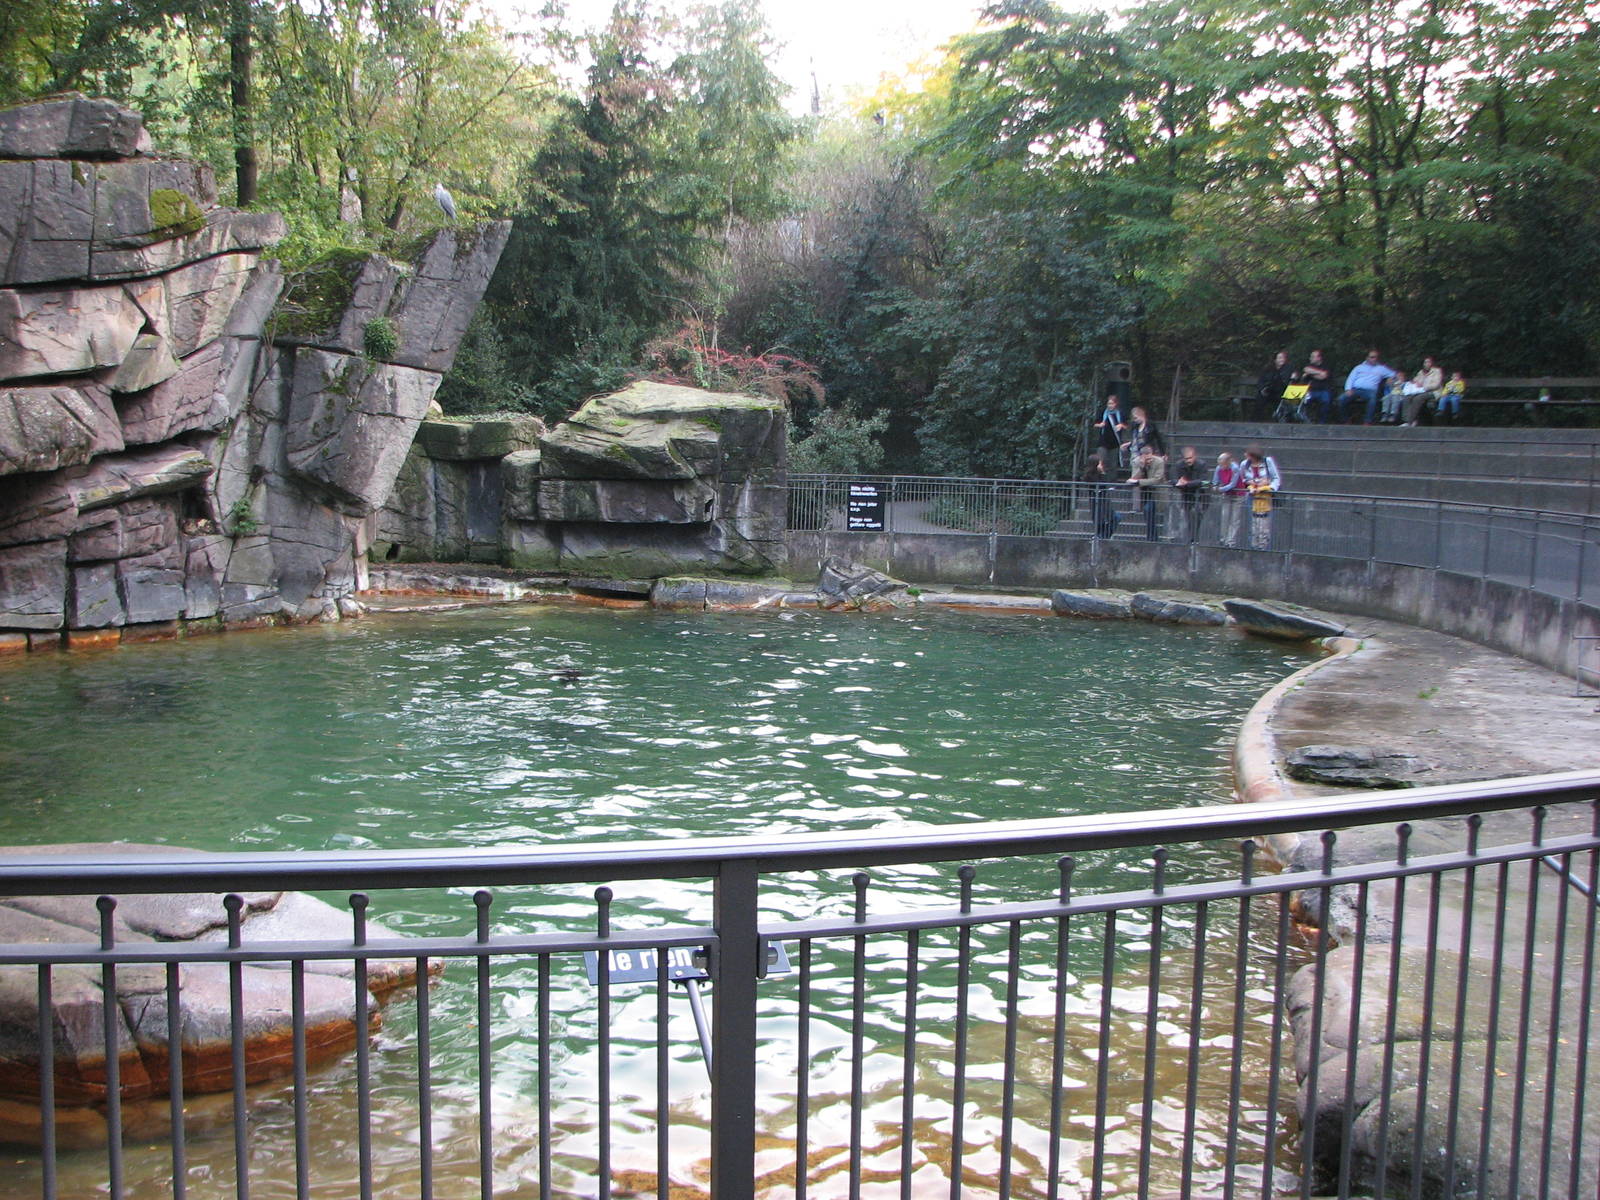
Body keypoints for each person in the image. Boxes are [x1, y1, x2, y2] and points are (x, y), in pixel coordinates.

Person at [1238, 444, 1281, 550]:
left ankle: (1263, 547)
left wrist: (1268, 486)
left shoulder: (1268, 462)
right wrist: (1250, 484)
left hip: (1265, 496)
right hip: (1252, 496)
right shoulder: (1244, 464)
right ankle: (1254, 546)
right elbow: (1243, 479)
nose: (1245, 456)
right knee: (1253, 524)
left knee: (1264, 525)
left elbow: (1276, 478)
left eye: (1247, 454)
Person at [1339, 349, 1396, 424]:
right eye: (1372, 357)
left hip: (1370, 391)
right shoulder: (1359, 367)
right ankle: (1346, 420)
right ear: (1367, 358)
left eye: (1375, 357)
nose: (1374, 359)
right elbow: (1351, 378)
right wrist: (1348, 389)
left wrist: (1390, 378)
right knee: (1341, 399)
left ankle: (1367, 421)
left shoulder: (1381, 368)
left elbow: (1395, 374)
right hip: (1355, 389)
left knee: (1372, 399)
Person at [1127, 443, 1166, 542]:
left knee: (1149, 510)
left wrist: (1140, 482)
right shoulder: (1136, 462)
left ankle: (1152, 538)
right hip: (1143, 492)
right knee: (1147, 512)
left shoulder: (1159, 462)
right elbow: (1133, 479)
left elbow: (1157, 479)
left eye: (1150, 458)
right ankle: (1152, 537)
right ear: (1141, 457)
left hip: (1156, 491)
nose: (1149, 461)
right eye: (1147, 459)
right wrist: (1142, 467)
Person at [1170, 445, 1207, 543]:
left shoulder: (1201, 464)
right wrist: (1179, 483)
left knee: (1197, 514)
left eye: (1190, 458)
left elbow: (1203, 481)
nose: (1188, 460)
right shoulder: (1179, 465)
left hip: (1199, 495)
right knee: (1185, 517)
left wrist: (1187, 483)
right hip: (1185, 495)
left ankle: (1195, 538)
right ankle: (1186, 539)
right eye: (1186, 458)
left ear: (1195, 456)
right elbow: (1173, 480)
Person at [1211, 451, 1246, 547]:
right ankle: (1223, 539)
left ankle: (1231, 541)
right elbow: (1215, 480)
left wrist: (1220, 489)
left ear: (1228, 462)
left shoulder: (1235, 468)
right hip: (1227, 495)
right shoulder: (1219, 468)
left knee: (1235, 519)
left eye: (1223, 465)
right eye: (1220, 465)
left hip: (1238, 495)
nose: (1222, 467)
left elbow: (1233, 484)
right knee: (1224, 517)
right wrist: (1215, 486)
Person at [1081, 449, 1118, 539]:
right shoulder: (1089, 476)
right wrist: (1102, 473)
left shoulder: (1100, 474)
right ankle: (1101, 536)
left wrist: (1102, 473)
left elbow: (1105, 485)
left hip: (1104, 502)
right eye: (1100, 463)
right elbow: (1101, 485)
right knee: (1100, 521)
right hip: (1097, 502)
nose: (1102, 465)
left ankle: (1103, 535)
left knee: (1115, 518)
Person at [1255, 351, 1296, 422]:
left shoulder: (1289, 368)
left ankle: (1280, 419)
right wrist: (1262, 389)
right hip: (1268, 391)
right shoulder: (1268, 369)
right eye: (1280, 358)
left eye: (1283, 358)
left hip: (1281, 392)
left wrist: (1295, 377)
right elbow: (1261, 381)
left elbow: (1292, 380)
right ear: (1275, 360)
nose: (1282, 360)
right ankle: (1257, 420)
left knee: (1284, 400)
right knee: (1260, 398)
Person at [1409, 356, 1443, 425]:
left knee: (1418, 398)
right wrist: (1415, 382)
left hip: (1434, 392)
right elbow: (1415, 380)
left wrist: (1424, 387)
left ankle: (1410, 421)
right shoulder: (1421, 372)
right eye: (1425, 362)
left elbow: (1436, 384)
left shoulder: (1437, 371)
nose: (1427, 364)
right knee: (1408, 397)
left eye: (1428, 362)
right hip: (1421, 392)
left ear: (1432, 363)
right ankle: (1411, 420)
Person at [1094, 395, 1128, 466]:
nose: (1110, 405)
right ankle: (1099, 476)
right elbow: (1095, 424)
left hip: (1115, 441)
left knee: (1113, 464)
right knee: (1100, 461)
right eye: (1109, 404)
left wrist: (1121, 425)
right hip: (1103, 441)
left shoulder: (1120, 413)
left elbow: (1126, 426)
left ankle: (1111, 477)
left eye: (1112, 404)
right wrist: (1100, 425)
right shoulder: (1103, 412)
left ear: (1116, 404)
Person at [1301, 350, 1333, 423]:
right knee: (1304, 400)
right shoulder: (1309, 365)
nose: (1310, 358)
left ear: (1319, 358)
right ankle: (1307, 420)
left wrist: (1311, 373)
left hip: (1323, 390)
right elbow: (1306, 369)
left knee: (1326, 400)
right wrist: (1319, 372)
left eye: (1312, 357)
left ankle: (1322, 422)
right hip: (1310, 391)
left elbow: (1323, 376)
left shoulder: (1326, 366)